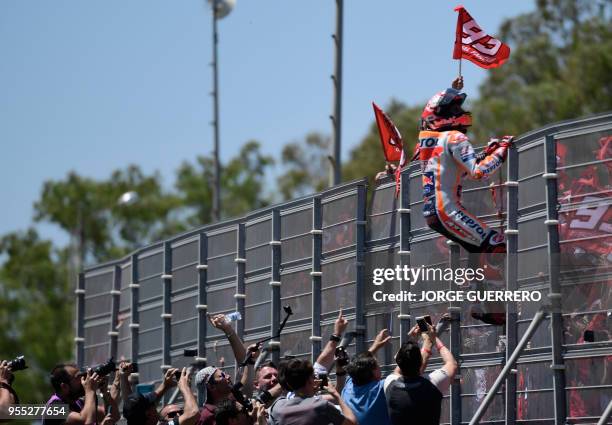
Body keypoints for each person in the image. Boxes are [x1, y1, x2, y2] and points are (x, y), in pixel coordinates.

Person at [384, 324, 458, 425]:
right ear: (421, 362)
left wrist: (412, 341)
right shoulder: (432, 384)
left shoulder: (389, 384)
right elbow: (452, 364)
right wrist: (434, 339)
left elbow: (399, 367)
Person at [268, 358, 357, 425]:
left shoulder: (279, 409)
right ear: (310, 380)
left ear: (288, 383)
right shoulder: (321, 406)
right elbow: (351, 423)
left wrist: (310, 394)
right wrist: (337, 395)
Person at [340, 329, 392, 425]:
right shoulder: (380, 389)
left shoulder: (349, 385)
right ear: (373, 371)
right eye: (377, 365)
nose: (379, 366)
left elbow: (358, 366)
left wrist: (375, 347)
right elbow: (405, 369)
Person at [123, 367, 199, 425]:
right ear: (148, 414)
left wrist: (165, 386)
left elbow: (133, 406)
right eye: (152, 404)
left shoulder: (134, 418)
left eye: (180, 412)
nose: (155, 405)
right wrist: (185, 387)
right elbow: (192, 413)